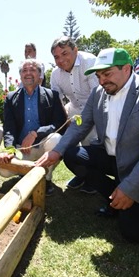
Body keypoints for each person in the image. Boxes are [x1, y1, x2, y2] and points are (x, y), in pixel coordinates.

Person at [36, 48, 139, 243]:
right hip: (110, 156)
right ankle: (114, 197)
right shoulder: (98, 93)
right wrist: (57, 151)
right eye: (99, 75)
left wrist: (130, 188)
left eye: (107, 74)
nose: (102, 81)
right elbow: (81, 125)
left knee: (136, 235)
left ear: (127, 69)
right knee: (72, 155)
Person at [0, 59, 67, 196]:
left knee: (56, 140)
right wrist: (10, 149)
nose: (28, 73)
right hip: (22, 149)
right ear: (20, 75)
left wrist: (36, 133)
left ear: (40, 75)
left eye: (33, 70)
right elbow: (9, 127)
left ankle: (46, 178)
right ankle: (24, 173)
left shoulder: (52, 96)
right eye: (24, 70)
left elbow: (59, 123)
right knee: (3, 170)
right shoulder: (11, 98)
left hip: (43, 146)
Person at [49, 36, 98, 193]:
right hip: (74, 108)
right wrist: (65, 119)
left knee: (90, 144)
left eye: (65, 53)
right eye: (57, 57)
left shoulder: (89, 61)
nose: (61, 60)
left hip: (96, 107)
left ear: (75, 50)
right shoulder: (55, 74)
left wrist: (83, 121)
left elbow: (96, 96)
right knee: (67, 145)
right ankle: (82, 174)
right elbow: (57, 102)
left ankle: (94, 180)